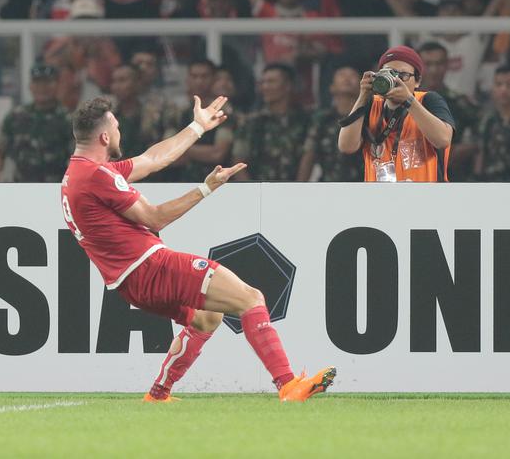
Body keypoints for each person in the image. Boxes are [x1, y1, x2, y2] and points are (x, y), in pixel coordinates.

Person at [61, 96, 334, 402]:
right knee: (250, 298)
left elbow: (153, 159)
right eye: (117, 126)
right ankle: (288, 385)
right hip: (150, 267)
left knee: (207, 317)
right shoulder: (98, 176)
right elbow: (155, 217)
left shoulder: (79, 174)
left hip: (130, 282)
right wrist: (206, 188)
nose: (120, 133)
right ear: (105, 137)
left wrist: (197, 127)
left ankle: (158, 393)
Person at [338, 46, 455, 182]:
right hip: (380, 199)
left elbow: (443, 140)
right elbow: (346, 146)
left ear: (417, 81)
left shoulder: (428, 100)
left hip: (424, 198)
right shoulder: (371, 104)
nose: (396, 80)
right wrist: (363, 96)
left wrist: (409, 101)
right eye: (390, 73)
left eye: (403, 75)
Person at [0, 64, 73, 183]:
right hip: (21, 188)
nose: (42, 88)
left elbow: (77, 157)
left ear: (57, 85)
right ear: (30, 86)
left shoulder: (68, 119)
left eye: (47, 83)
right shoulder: (16, 117)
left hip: (54, 189)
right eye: (37, 83)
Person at [417, 42, 481, 182]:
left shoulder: (461, 103)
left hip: (453, 180)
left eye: (439, 64)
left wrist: (458, 151)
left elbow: (479, 141)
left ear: (447, 66)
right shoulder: (405, 101)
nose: (434, 70)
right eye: (428, 64)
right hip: (412, 180)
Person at [232, 64, 308, 181]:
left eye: (271, 82)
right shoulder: (251, 122)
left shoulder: (305, 121)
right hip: (259, 192)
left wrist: (299, 189)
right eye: (263, 82)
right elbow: (238, 161)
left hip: (295, 192)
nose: (265, 87)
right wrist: (252, 192)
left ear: (287, 86)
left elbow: (309, 158)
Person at [162, 59, 234, 183]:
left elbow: (218, 153)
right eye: (194, 76)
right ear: (187, 80)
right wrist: (201, 152)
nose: (199, 81)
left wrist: (182, 148)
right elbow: (166, 153)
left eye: (204, 76)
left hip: (216, 182)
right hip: (179, 182)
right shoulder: (177, 112)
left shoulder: (224, 110)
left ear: (214, 80)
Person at [299, 67, 363, 182]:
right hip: (328, 187)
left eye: (353, 75)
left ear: (361, 87)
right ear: (332, 87)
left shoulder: (369, 117)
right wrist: (298, 189)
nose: (347, 78)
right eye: (342, 75)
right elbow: (309, 156)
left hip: (364, 187)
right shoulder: (322, 119)